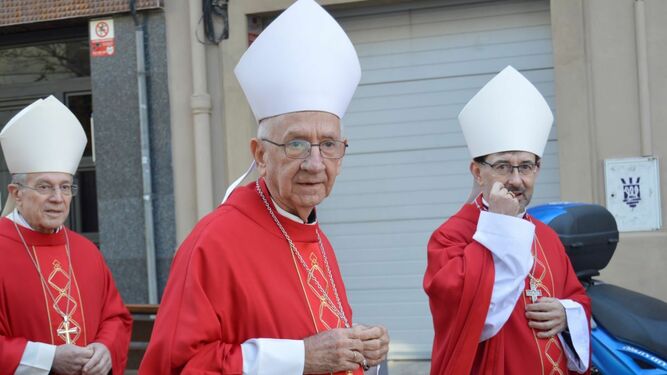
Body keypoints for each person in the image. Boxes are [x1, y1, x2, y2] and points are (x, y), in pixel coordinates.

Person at [139, 1, 389, 374]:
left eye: (330, 145)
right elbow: (180, 365)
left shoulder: (314, 234)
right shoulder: (213, 244)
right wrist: (300, 358)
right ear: (260, 154)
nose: (315, 163)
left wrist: (357, 347)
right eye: (296, 143)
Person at [423, 66, 591, 374]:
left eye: (525, 166)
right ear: (477, 171)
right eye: (503, 166)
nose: (516, 180)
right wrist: (500, 228)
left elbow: (577, 297)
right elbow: (471, 319)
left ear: (537, 170)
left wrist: (568, 314)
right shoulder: (451, 237)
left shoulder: (547, 236)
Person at [0, 96, 132, 375]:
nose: (58, 198)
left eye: (65, 187)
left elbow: (116, 317)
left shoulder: (86, 252)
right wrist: (48, 359)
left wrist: (106, 348)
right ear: (17, 193)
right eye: (45, 187)